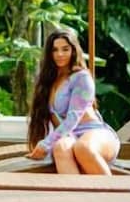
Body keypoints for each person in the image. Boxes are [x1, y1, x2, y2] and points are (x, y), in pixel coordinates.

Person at [26, 27, 119, 174]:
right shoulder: (48, 82)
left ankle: (111, 189)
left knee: (83, 147)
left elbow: (73, 118)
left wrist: (46, 144)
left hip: (95, 133)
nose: (60, 54)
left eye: (65, 49)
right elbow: (55, 122)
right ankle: (74, 190)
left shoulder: (82, 77)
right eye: (55, 50)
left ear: (73, 51)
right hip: (70, 136)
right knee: (60, 147)